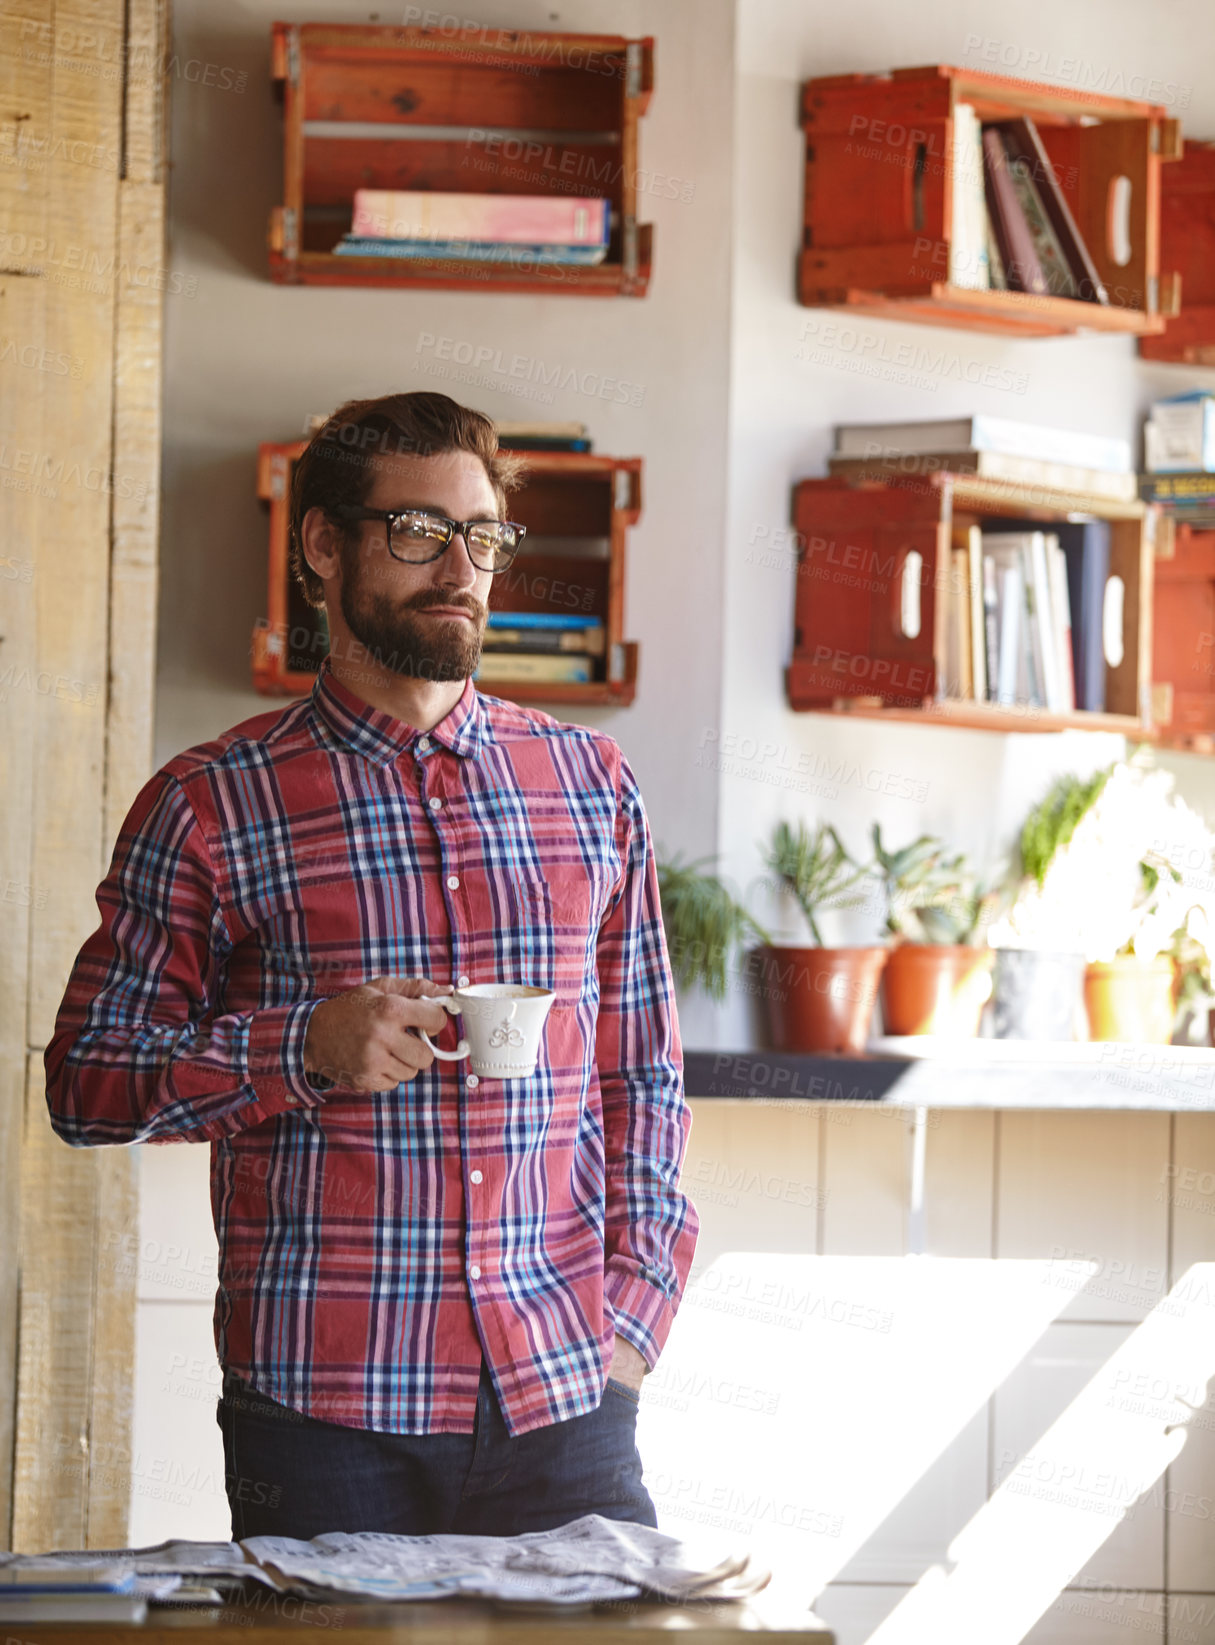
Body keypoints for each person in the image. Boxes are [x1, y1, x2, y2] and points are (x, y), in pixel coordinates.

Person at [45, 391, 698, 1540]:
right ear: (322, 545)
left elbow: (641, 1078)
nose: (459, 566)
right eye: (417, 531)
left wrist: (632, 1324)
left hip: (567, 1400)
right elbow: (89, 1081)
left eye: (482, 535)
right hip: (323, 1420)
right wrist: (300, 1046)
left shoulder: (592, 789)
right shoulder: (209, 803)